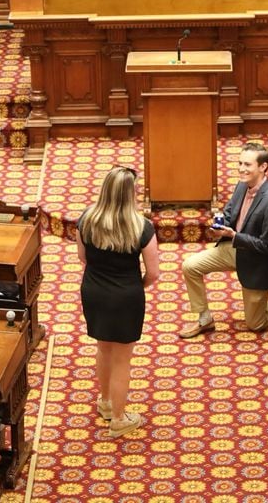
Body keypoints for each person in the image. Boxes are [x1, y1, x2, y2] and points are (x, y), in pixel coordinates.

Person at [77, 166, 160, 437]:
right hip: (126, 297)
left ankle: (106, 401)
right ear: (129, 195)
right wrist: (136, 286)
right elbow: (154, 272)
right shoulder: (141, 226)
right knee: (123, 359)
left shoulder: (87, 219)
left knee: (103, 347)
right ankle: (119, 419)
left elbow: (83, 257)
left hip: (94, 292)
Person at [179, 142, 268, 338]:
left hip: (256, 261)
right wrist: (219, 228)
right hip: (233, 248)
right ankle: (205, 319)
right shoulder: (241, 185)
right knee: (190, 266)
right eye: (240, 163)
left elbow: (266, 246)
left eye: (247, 165)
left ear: (263, 167)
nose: (241, 169)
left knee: (255, 324)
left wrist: (234, 236)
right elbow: (230, 213)